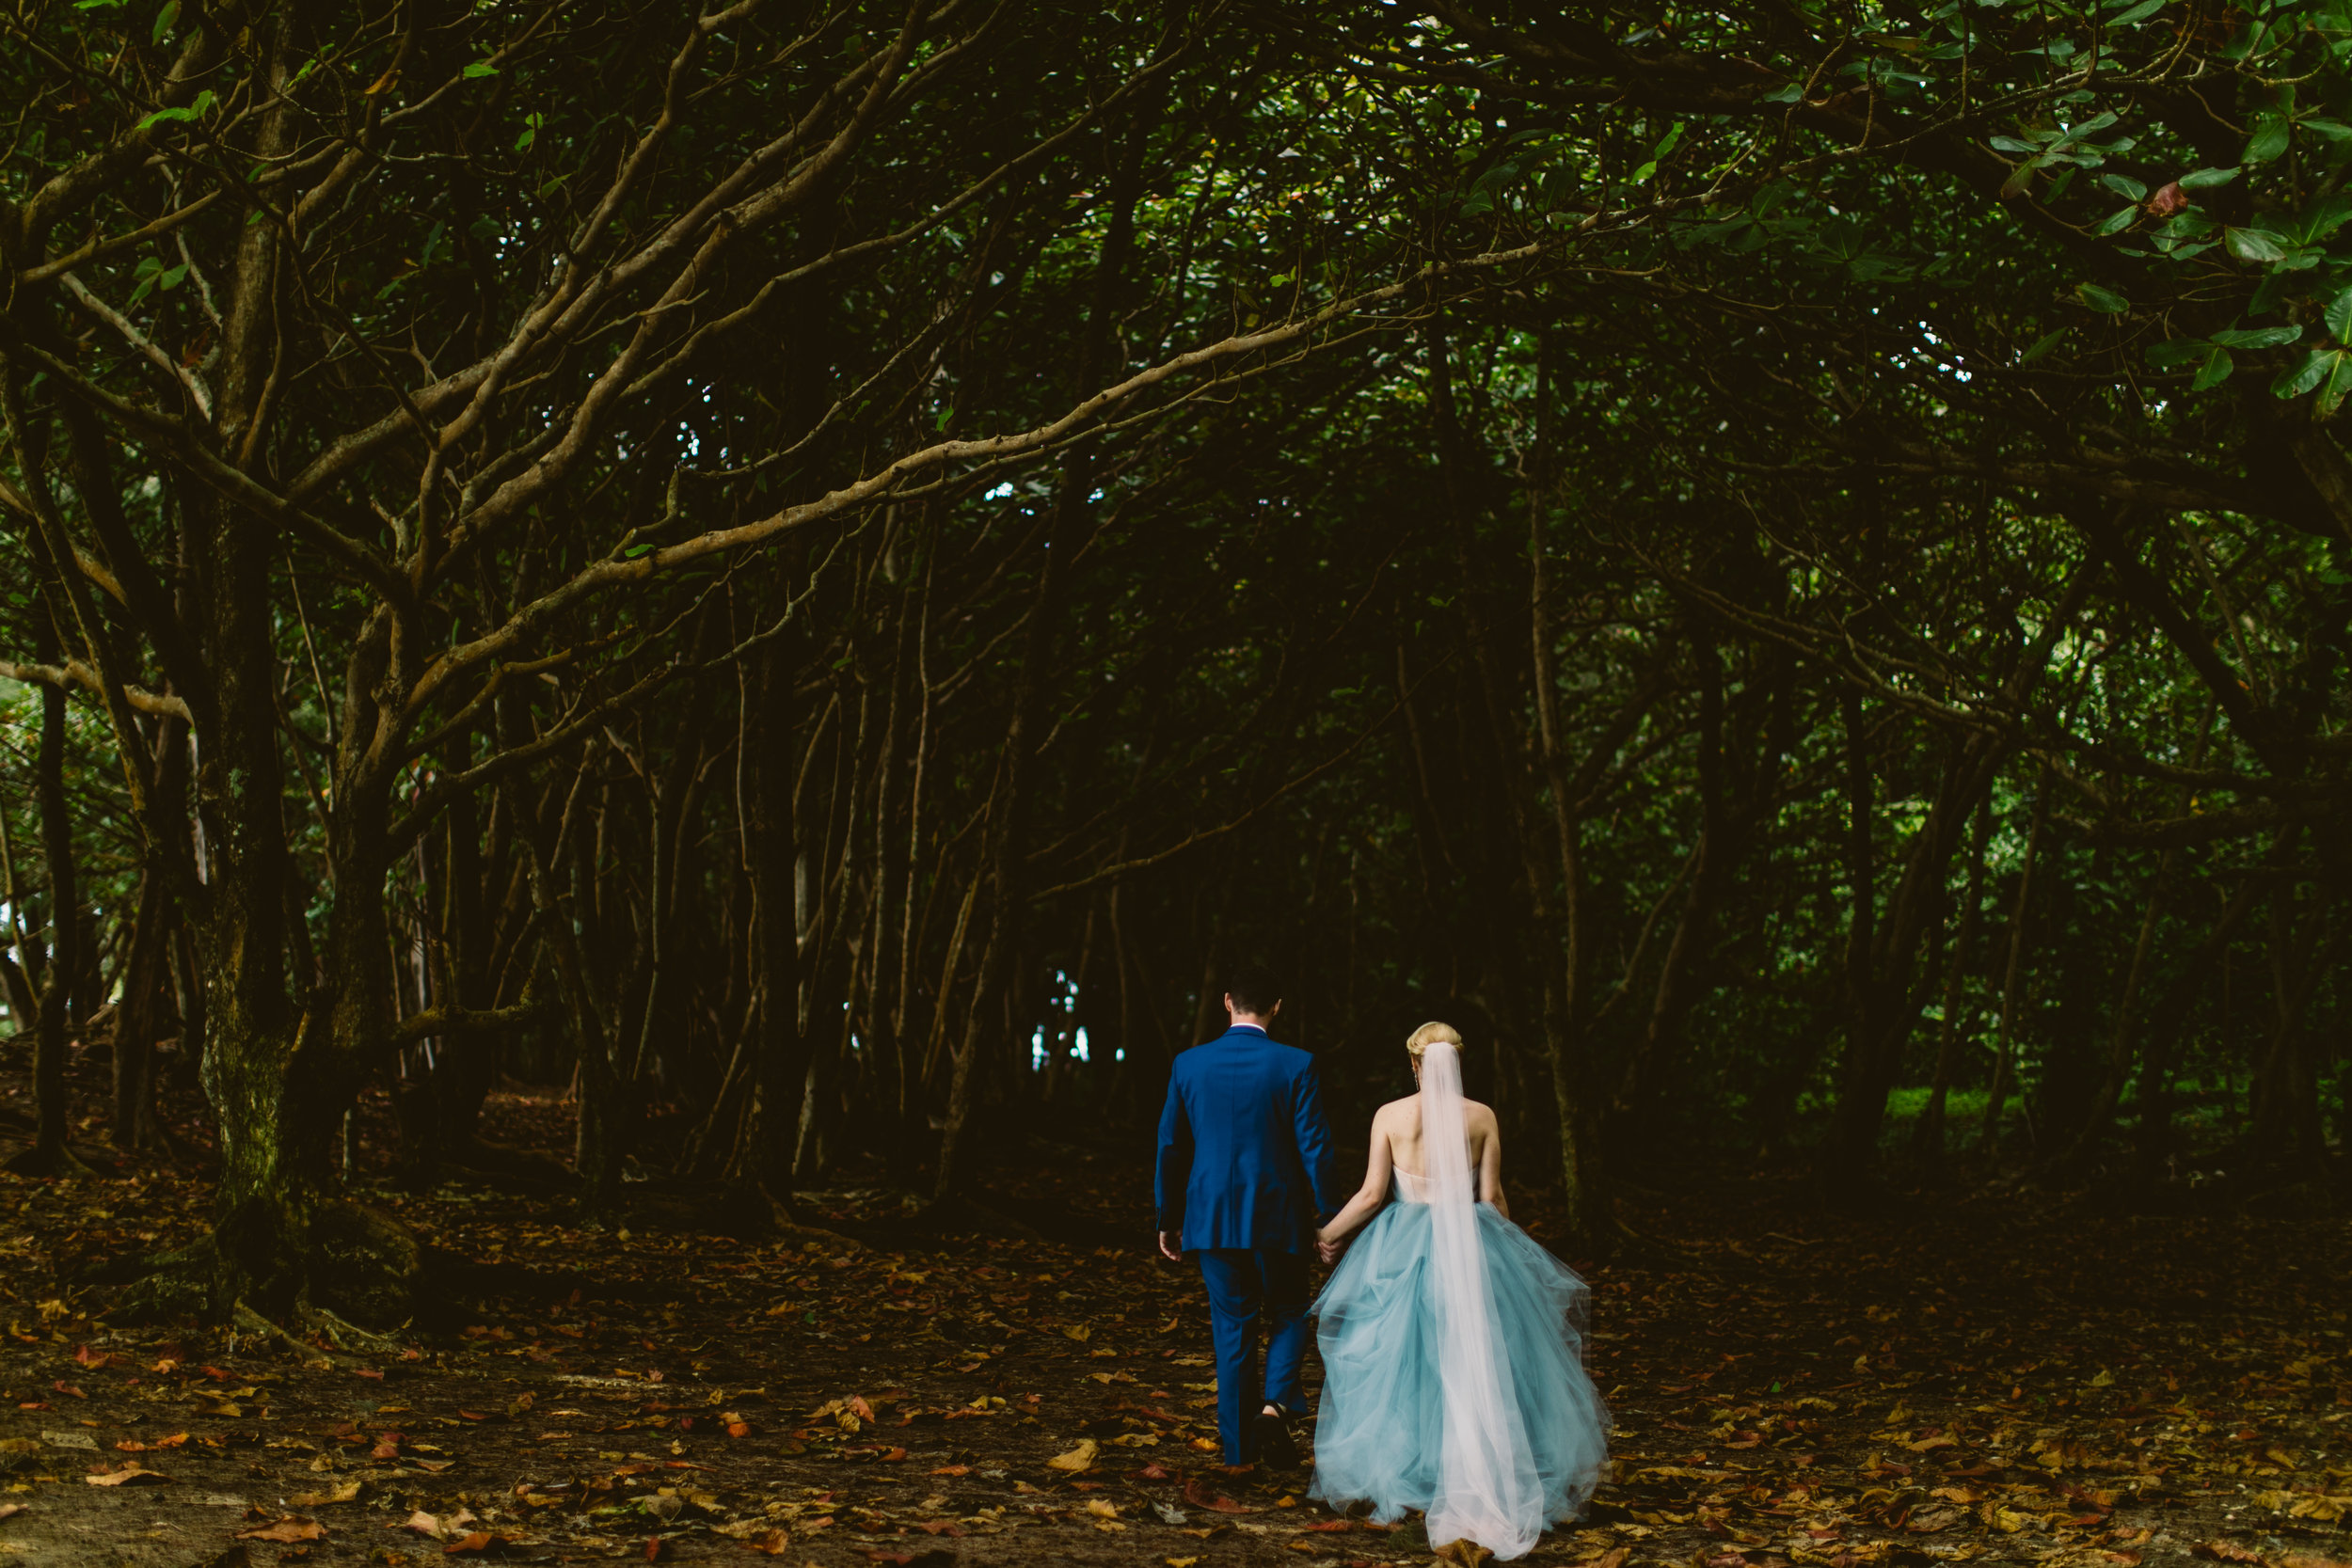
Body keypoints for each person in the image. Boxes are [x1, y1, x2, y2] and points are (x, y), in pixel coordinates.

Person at [1308, 1022, 1610, 1560]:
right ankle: (1481, 1470)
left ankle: (1411, 1475)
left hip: (1402, 1249)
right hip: (1471, 1247)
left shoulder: (1390, 1117)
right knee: (1478, 1360)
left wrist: (1328, 1234)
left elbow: (1374, 1193)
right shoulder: (1483, 1117)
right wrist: (1508, 1254)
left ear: (1415, 1065)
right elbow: (1492, 1199)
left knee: (1406, 1360)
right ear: (1459, 1062)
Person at [1154, 964, 1341, 1469]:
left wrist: (1168, 1217)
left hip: (1210, 1215)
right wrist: (1330, 1218)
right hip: (1278, 1215)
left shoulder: (1188, 1064)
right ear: (1277, 1007)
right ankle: (1274, 1408)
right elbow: (1315, 1149)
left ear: (1227, 1001)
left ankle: (1237, 1455)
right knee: (1290, 1311)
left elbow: (1171, 1146)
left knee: (1232, 1329)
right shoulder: (1296, 1064)